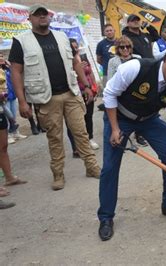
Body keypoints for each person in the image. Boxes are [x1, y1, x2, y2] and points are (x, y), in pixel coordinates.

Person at [97, 38, 166, 241]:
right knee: (110, 167)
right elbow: (109, 94)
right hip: (119, 117)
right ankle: (105, 217)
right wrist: (115, 129)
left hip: (149, 120)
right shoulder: (136, 68)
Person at [9, 4, 101, 191]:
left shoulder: (62, 37)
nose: (42, 17)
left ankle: (92, 167)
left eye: (45, 14)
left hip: (70, 94)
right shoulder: (21, 41)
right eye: (37, 15)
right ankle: (58, 175)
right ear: (30, 19)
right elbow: (16, 72)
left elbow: (76, 63)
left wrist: (85, 86)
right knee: (55, 138)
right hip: (46, 99)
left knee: (81, 133)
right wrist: (22, 101)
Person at [122, 14, 160, 146]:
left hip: (151, 69)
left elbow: (156, 36)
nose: (136, 22)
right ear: (128, 23)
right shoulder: (127, 37)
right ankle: (138, 133)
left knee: (151, 97)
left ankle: (147, 127)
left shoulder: (144, 35)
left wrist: (148, 26)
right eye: (133, 20)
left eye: (137, 20)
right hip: (138, 71)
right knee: (139, 98)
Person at [66, 39, 100, 157]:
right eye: (72, 47)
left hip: (88, 91)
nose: (75, 49)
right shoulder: (66, 61)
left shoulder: (84, 57)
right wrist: (76, 68)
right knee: (73, 120)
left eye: (76, 47)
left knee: (88, 116)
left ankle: (89, 139)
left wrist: (94, 88)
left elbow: (90, 73)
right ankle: (76, 147)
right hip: (74, 93)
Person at [0, 52, 27, 144]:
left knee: (13, 115)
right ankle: (7, 136)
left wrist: (9, 66)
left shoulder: (7, 69)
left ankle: (15, 132)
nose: (1, 58)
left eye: (2, 57)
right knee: (8, 117)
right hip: (3, 97)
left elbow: (15, 76)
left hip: (11, 95)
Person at [96, 23, 116, 89]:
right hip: (106, 73)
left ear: (114, 30)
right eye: (107, 31)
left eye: (110, 30)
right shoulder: (100, 44)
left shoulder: (120, 42)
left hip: (119, 72)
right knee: (107, 92)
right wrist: (107, 65)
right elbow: (98, 60)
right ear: (104, 33)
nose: (109, 32)